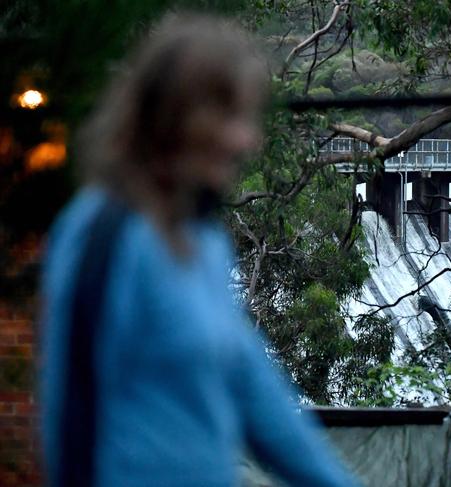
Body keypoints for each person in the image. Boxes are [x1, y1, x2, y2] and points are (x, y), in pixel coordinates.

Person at [39, 12, 359, 487]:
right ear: (179, 117)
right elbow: (65, 417)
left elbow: (254, 389)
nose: (248, 140)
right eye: (232, 118)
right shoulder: (101, 235)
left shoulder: (203, 242)